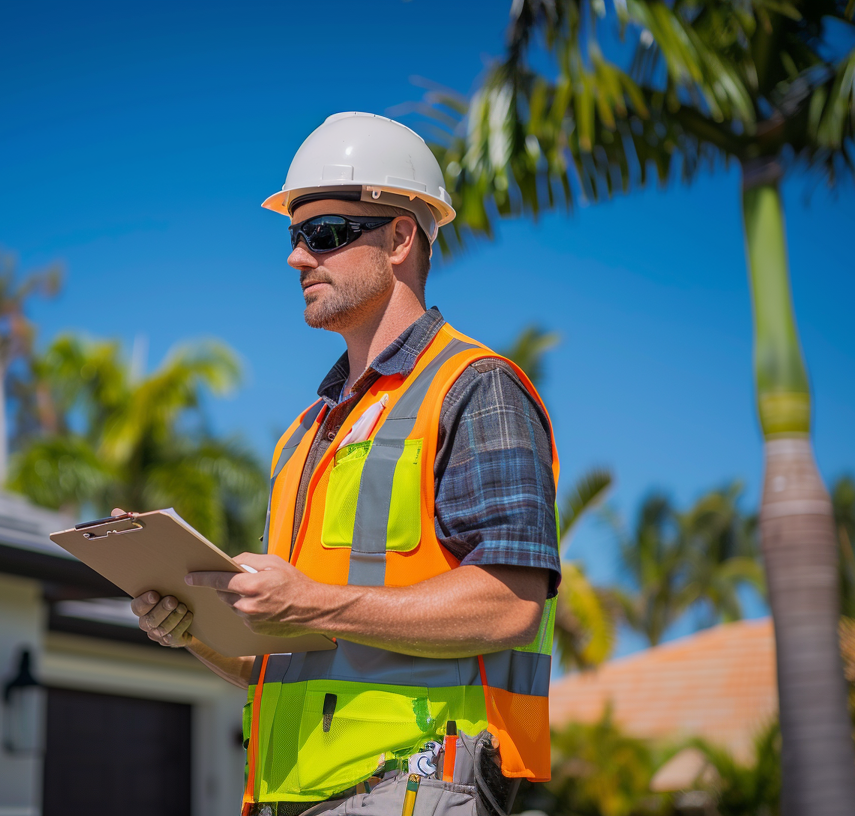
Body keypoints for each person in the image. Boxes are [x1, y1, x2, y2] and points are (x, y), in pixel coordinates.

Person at [128, 112, 560, 816]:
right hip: (291, 796)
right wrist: (198, 630)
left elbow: (512, 603)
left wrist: (310, 600)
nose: (299, 258)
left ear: (399, 238)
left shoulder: (474, 388)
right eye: (295, 237)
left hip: (416, 784)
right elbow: (291, 658)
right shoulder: (306, 434)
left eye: (325, 234)